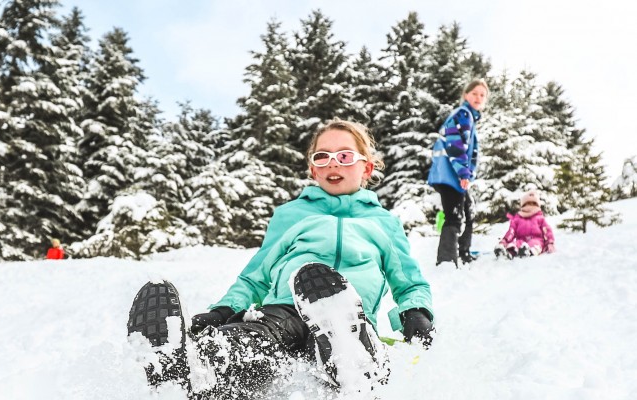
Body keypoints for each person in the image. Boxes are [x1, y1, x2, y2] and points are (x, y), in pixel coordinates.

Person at [127, 119, 434, 399]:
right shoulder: (291, 215)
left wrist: (416, 313)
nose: (332, 164)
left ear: (366, 168)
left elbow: (408, 282)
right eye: (322, 157)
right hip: (284, 309)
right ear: (313, 170)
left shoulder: (383, 222)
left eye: (344, 156)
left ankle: (358, 370)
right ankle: (195, 369)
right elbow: (256, 276)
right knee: (257, 338)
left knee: (344, 336)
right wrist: (223, 310)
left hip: (348, 317)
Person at [428, 78, 489, 267]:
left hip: (451, 175)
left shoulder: (468, 116)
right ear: (465, 95)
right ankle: (446, 261)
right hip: (450, 175)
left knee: (468, 211)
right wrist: (463, 173)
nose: (478, 97)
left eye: (482, 95)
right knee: (454, 215)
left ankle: (463, 252)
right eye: (474, 93)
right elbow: (455, 145)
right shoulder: (463, 114)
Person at [494, 189, 556, 259]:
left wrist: (550, 243)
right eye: (528, 203)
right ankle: (507, 253)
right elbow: (511, 231)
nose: (530, 206)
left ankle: (528, 251)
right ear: (523, 205)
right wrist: (504, 241)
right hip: (521, 240)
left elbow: (547, 231)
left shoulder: (540, 218)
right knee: (515, 244)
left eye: (533, 204)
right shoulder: (517, 219)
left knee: (534, 244)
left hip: (537, 240)